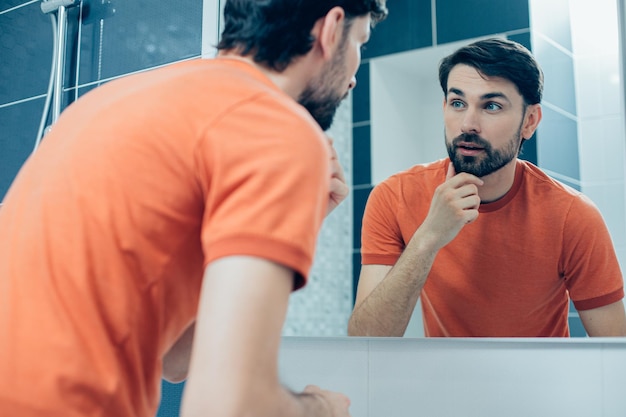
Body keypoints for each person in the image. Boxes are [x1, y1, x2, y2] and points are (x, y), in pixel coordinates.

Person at [0, 1, 387, 416]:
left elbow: (175, 361)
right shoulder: (276, 126)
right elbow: (230, 405)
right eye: (360, 42)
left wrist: (296, 218)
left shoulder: (109, 102)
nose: (353, 79)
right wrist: (322, 408)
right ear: (331, 29)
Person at [348, 38, 626, 338]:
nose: (468, 123)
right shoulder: (394, 197)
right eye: (458, 103)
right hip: (445, 384)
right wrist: (428, 237)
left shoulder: (572, 214)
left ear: (530, 121)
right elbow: (366, 342)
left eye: (491, 106)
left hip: (541, 384)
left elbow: (616, 352)